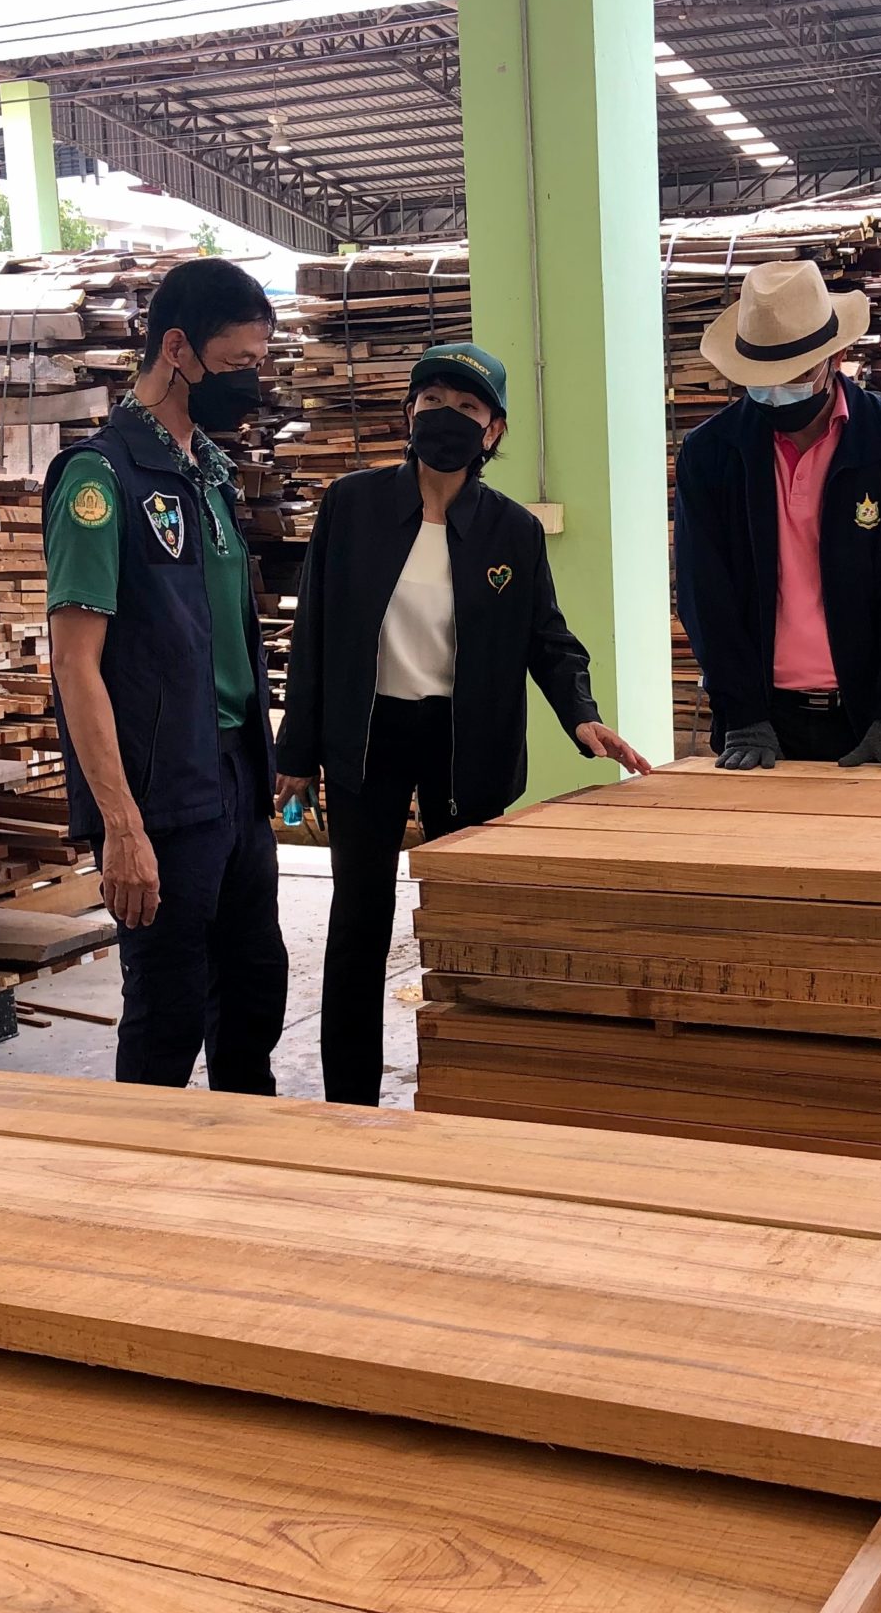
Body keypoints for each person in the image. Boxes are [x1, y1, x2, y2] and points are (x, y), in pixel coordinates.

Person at [277, 342, 651, 1106]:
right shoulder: (352, 507)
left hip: (466, 743)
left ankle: (468, 1090)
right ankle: (349, 1104)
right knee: (358, 924)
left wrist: (582, 717)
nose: (446, 416)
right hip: (369, 738)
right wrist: (297, 749)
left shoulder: (510, 530)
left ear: (494, 429)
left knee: (464, 924)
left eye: (467, 407)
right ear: (408, 413)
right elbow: (313, 630)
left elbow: (547, 637)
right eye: (433, 402)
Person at [46, 258, 287, 1092]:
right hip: (163, 793)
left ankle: (242, 1158)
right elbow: (75, 663)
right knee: (168, 1014)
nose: (251, 383)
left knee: (252, 995)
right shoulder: (102, 477)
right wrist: (121, 825)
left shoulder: (208, 474)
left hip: (236, 777)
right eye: (238, 363)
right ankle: (142, 1167)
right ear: (177, 349)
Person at [673, 258, 881, 772]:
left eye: (795, 376)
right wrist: (742, 712)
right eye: (762, 380)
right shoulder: (711, 454)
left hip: (870, 717)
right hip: (761, 721)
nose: (776, 392)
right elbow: (705, 591)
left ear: (837, 356)